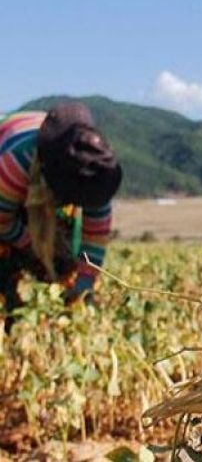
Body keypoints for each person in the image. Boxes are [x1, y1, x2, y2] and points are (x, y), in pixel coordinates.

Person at [0, 102, 121, 324]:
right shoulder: (16, 161)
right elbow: (2, 221)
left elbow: (95, 237)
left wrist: (83, 287)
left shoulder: (96, 168)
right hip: (7, 168)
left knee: (64, 254)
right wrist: (34, 248)